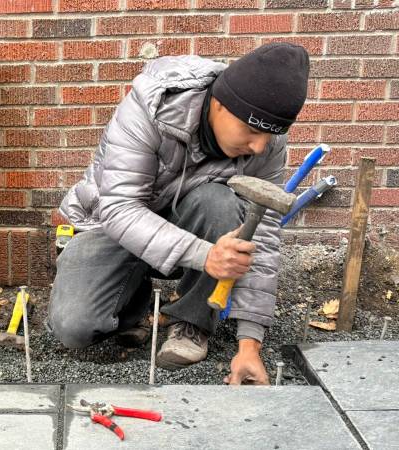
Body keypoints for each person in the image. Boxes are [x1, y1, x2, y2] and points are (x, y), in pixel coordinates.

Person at [48, 43, 310, 385]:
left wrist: (249, 345)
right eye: (252, 130)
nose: (259, 146)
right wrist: (206, 255)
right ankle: (132, 300)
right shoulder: (153, 105)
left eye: (270, 136)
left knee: (220, 202)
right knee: (75, 328)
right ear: (219, 104)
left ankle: (192, 320)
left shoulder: (267, 146)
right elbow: (118, 208)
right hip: (110, 226)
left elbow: (261, 237)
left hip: (189, 226)